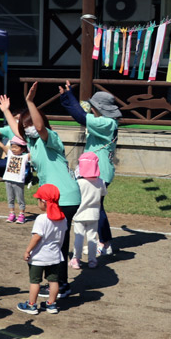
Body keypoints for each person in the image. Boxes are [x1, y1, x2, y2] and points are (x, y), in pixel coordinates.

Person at [0, 83, 80, 298]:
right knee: (56, 241)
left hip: (65, 196)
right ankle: (59, 283)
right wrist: (7, 111)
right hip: (57, 197)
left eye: (31, 125)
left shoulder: (51, 138)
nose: (28, 129)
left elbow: (40, 127)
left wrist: (30, 102)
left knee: (55, 243)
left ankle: (60, 285)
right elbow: (18, 130)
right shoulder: (32, 142)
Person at [58, 82, 120, 256]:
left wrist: (69, 95)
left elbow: (80, 116)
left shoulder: (107, 122)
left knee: (95, 207)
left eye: (93, 106)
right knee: (97, 206)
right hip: (96, 170)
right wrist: (67, 96)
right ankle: (103, 242)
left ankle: (104, 243)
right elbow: (79, 114)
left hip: (98, 171)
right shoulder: (106, 121)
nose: (91, 108)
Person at [17, 184, 67, 315]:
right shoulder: (63, 218)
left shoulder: (41, 219)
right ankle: (51, 304)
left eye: (38, 200)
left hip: (39, 257)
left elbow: (36, 237)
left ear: (43, 202)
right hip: (55, 256)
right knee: (53, 281)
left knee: (35, 282)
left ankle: (31, 305)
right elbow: (62, 237)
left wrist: (28, 250)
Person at [73, 152, 107, 269]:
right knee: (92, 238)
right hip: (94, 214)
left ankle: (76, 259)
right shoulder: (101, 182)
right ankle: (92, 260)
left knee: (79, 236)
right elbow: (103, 194)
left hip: (79, 214)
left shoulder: (78, 183)